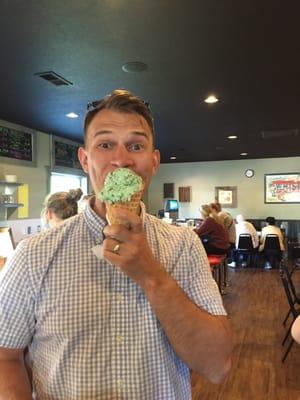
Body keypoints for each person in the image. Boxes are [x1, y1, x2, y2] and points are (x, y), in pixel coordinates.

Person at [0, 89, 233, 399]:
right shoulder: (33, 254)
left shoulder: (185, 246)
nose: (121, 160)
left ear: (153, 161)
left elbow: (217, 366)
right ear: (85, 159)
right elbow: (5, 356)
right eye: (105, 144)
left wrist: (150, 273)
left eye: (135, 145)